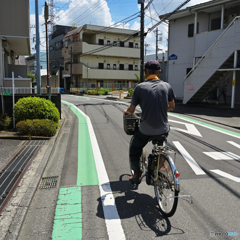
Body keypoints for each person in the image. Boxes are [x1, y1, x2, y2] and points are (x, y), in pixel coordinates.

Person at [124, 60, 175, 184]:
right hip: (163, 129)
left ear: (145, 72)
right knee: (160, 149)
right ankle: (156, 170)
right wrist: (162, 109)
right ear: (159, 72)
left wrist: (126, 112)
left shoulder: (140, 87)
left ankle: (136, 175)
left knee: (135, 149)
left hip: (146, 129)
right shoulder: (167, 86)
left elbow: (131, 110)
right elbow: (172, 106)